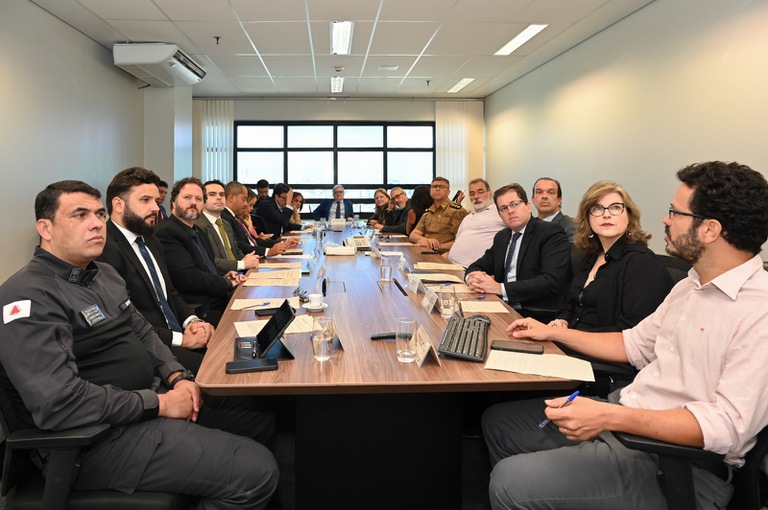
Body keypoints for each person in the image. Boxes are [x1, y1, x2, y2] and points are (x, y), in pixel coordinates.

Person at [483, 161, 768, 510]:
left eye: (674, 212)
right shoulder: (689, 287)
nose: (665, 220)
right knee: (498, 423)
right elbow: (632, 343)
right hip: (627, 414)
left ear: (709, 229)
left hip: (677, 463)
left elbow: (726, 427)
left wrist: (609, 416)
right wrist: (551, 332)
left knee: (510, 482)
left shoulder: (759, 310)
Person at [0, 180, 278, 508]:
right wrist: (159, 404)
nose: (95, 223)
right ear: (45, 228)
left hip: (146, 402)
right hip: (98, 440)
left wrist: (177, 375)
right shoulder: (28, 296)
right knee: (258, 472)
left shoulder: (101, 273)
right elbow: (60, 404)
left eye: (99, 213)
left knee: (258, 419)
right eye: (79, 215)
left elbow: (144, 332)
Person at [98, 167, 214, 372]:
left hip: (177, 335)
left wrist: (192, 321)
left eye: (156, 201)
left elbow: (169, 293)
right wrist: (182, 339)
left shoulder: (150, 240)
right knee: (227, 379)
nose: (155, 208)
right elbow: (125, 321)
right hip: (150, 350)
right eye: (145, 200)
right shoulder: (104, 249)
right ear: (118, 204)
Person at [550, 180, 672, 332]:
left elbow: (632, 335)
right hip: (570, 342)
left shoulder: (641, 262)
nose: (606, 214)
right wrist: (561, 320)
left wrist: (567, 337)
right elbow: (569, 303)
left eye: (615, 207)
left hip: (601, 352)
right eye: (597, 208)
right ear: (587, 217)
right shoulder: (591, 255)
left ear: (629, 216)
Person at [465, 183, 570, 313]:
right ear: (499, 215)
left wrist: (500, 288)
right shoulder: (502, 237)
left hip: (536, 312)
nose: (510, 211)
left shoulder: (550, 232)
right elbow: (478, 265)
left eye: (514, 204)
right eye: (503, 208)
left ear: (528, 207)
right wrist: (471, 278)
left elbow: (550, 281)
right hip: (503, 306)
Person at [155, 177, 244, 326]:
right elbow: (189, 278)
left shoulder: (197, 231)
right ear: (173, 202)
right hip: (200, 311)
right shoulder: (167, 231)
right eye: (187, 197)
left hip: (217, 300)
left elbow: (204, 268)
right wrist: (226, 282)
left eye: (198, 199)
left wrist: (224, 275)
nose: (193, 203)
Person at [196, 180, 260, 275]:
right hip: (219, 281)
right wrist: (242, 264)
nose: (218, 198)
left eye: (221, 195)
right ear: (202, 199)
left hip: (238, 276)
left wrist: (249, 260)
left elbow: (236, 250)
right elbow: (210, 261)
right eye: (212, 194)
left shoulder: (225, 224)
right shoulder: (198, 225)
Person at [221, 180, 294, 257]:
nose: (246, 204)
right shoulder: (225, 218)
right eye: (244, 199)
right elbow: (239, 245)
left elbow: (253, 241)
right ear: (232, 198)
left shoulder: (236, 218)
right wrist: (268, 251)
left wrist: (282, 243)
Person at [446, 178, 506, 268]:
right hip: (452, 265)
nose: (476, 196)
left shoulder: (500, 212)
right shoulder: (467, 218)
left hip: (474, 270)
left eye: (480, 192)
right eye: (472, 193)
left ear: (490, 194)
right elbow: (457, 241)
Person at [408, 177, 468, 252]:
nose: (437, 189)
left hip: (446, 254)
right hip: (426, 251)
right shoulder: (429, 212)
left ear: (448, 192)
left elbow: (461, 241)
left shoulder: (456, 211)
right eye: (434, 186)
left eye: (442, 187)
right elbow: (413, 235)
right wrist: (427, 241)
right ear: (430, 191)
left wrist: (435, 246)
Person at [531, 177, 575, 241]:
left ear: (559, 200)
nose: (544, 196)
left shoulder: (571, 226)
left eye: (551, 192)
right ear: (533, 199)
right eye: (539, 192)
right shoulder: (528, 227)